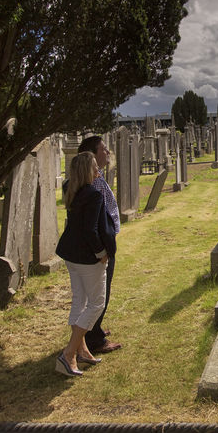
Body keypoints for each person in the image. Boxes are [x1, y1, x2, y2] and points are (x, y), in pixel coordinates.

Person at [54, 151, 111, 376]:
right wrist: (101, 252)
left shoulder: (70, 189)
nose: (99, 170)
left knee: (79, 299)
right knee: (96, 303)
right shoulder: (94, 195)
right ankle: (68, 354)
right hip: (88, 256)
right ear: (88, 170)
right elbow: (90, 229)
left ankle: (82, 350)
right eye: (95, 167)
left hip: (70, 253)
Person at [78, 135, 123, 354]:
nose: (108, 152)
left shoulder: (96, 177)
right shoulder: (93, 184)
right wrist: (103, 249)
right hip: (101, 246)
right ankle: (94, 339)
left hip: (105, 240)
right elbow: (94, 222)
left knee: (100, 291)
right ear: (93, 155)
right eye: (103, 149)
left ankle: (94, 330)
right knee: (99, 293)